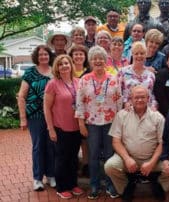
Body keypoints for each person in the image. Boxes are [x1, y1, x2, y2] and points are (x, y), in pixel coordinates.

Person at [105, 85, 169, 202]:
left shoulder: (158, 117)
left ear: (148, 98)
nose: (139, 100)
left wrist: (151, 163)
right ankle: (127, 187)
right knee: (110, 166)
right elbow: (116, 141)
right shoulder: (121, 115)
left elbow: (162, 143)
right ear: (131, 99)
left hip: (152, 160)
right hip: (128, 159)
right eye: (136, 97)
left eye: (142, 97)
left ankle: (159, 185)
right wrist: (127, 158)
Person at [75, 46, 122, 200]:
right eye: (94, 58)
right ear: (90, 61)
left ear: (105, 60)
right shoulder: (85, 80)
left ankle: (110, 184)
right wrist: (81, 123)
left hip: (110, 123)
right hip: (92, 123)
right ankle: (94, 185)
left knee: (110, 155)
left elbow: (119, 102)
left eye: (101, 58)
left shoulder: (113, 79)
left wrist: (119, 124)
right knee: (93, 155)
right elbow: (80, 103)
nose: (98, 61)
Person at [43, 55, 84, 199]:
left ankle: (73, 184)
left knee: (73, 158)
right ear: (57, 67)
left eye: (66, 63)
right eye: (61, 64)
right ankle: (62, 187)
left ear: (71, 65)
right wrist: (50, 129)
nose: (64, 66)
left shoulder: (78, 82)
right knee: (62, 158)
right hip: (60, 128)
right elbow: (47, 108)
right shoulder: (53, 84)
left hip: (77, 127)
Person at [17, 45, 56, 191]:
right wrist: (22, 118)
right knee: (38, 146)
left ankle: (51, 175)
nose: (43, 57)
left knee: (52, 146)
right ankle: (37, 178)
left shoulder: (54, 71)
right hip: (36, 115)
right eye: (40, 55)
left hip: (53, 116)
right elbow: (21, 96)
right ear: (36, 57)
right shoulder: (30, 73)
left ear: (49, 56)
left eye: (46, 54)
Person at [68, 44, 90, 177]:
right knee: (72, 139)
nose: (78, 56)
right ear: (71, 56)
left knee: (85, 139)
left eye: (81, 54)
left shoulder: (89, 71)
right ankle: (74, 163)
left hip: (86, 112)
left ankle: (86, 164)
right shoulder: (67, 71)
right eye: (75, 54)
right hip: (69, 112)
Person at [118, 41, 157, 110]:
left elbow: (152, 94)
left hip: (147, 111)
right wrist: (124, 103)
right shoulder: (122, 72)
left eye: (142, 53)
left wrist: (154, 105)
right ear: (132, 55)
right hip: (128, 110)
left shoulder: (151, 75)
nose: (139, 56)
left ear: (145, 55)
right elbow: (118, 93)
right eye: (136, 53)